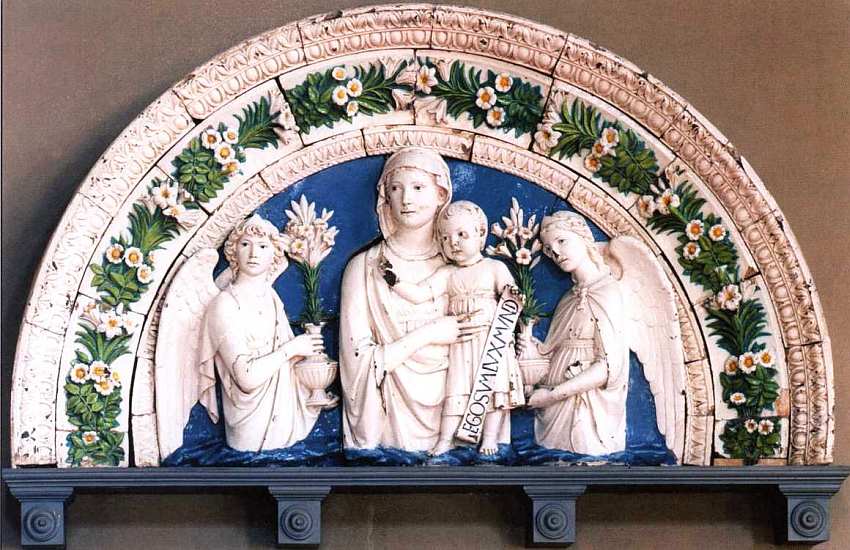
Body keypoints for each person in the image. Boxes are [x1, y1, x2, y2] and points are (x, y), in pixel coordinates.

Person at [339, 148, 483, 452]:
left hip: (457, 404)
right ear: (385, 197)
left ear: (441, 194)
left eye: (418, 187)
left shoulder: (464, 268)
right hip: (390, 421)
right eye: (396, 188)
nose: (406, 199)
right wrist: (428, 334)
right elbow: (358, 363)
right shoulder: (364, 268)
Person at [388, 200, 523, 456]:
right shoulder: (447, 273)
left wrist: (515, 297)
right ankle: (445, 439)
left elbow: (512, 299)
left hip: (492, 340)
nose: (454, 243)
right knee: (456, 390)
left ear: (481, 234)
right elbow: (420, 294)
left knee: (494, 388)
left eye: (462, 235)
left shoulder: (494, 267)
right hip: (461, 342)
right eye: (446, 238)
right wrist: (393, 280)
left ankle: (489, 438)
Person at [197, 215, 325, 452]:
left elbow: (290, 363)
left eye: (263, 246)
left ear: (274, 255)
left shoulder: (271, 297)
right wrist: (292, 349)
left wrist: (315, 384)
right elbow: (246, 378)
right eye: (245, 244)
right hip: (251, 431)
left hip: (284, 417)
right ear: (233, 251)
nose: (254, 253)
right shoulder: (224, 305)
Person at [525, 211, 631, 456]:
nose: (556, 252)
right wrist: (529, 348)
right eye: (548, 250)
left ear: (584, 237)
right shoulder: (568, 298)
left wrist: (551, 396)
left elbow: (607, 368)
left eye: (562, 241)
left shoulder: (608, 292)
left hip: (585, 407)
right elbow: (550, 351)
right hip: (553, 412)